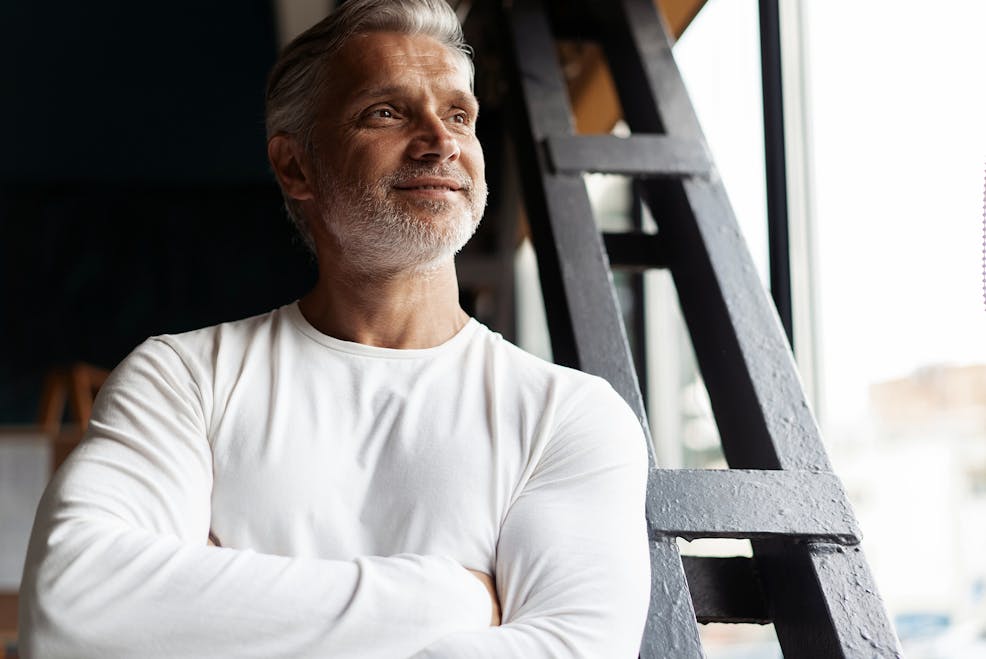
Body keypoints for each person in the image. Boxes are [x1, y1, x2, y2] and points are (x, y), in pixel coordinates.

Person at [18, 0, 651, 656]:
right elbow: (71, 609)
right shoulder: (182, 380)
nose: (441, 140)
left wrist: (211, 612)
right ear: (296, 167)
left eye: (459, 114)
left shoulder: (569, 417)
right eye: (387, 112)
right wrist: (454, 598)